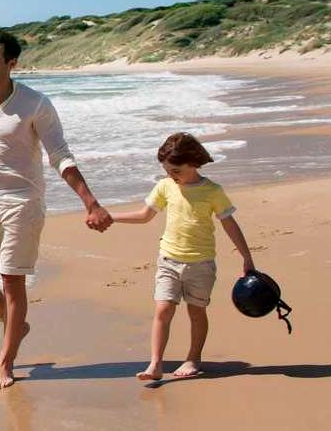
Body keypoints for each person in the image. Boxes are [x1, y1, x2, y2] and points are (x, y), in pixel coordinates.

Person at [0, 29, 113, 390]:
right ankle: (16, 324)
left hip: (22, 205)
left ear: (12, 63)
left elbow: (61, 156)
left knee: (11, 280)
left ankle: (5, 362)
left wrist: (90, 201)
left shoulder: (35, 103)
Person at [106, 132, 257, 382]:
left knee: (196, 312)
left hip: (201, 264)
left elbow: (229, 224)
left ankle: (193, 357)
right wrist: (110, 216)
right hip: (168, 260)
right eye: (167, 170)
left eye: (175, 170)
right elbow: (145, 215)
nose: (171, 175)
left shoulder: (212, 191)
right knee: (163, 309)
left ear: (193, 162)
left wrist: (247, 258)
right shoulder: (166, 187)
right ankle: (155, 364)